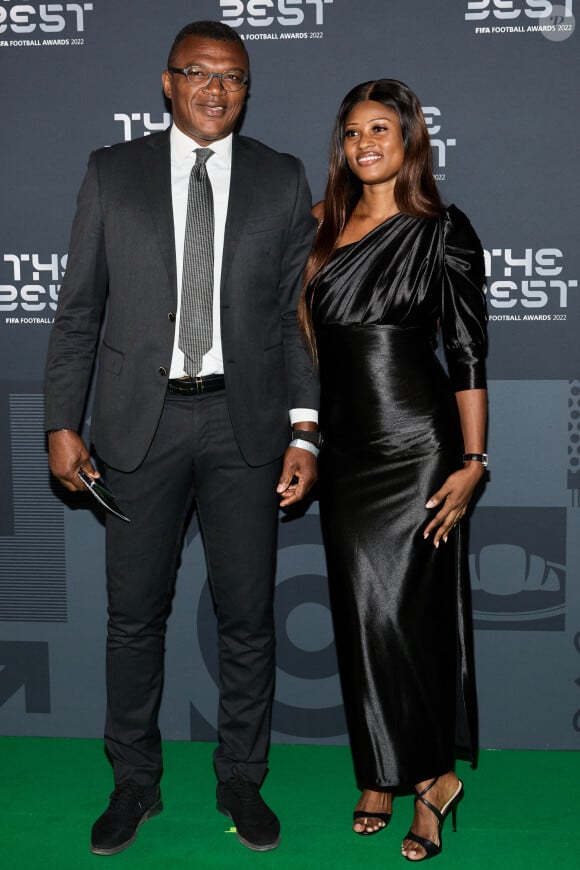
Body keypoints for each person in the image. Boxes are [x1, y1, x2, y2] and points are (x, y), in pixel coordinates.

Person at [44, 19, 320, 856]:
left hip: (245, 428)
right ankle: (134, 784)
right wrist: (61, 421)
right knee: (134, 619)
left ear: (246, 87)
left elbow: (291, 323)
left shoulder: (280, 178)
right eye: (198, 73)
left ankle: (242, 779)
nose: (215, 89)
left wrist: (305, 433)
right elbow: (79, 311)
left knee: (246, 620)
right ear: (167, 83)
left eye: (232, 77)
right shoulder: (111, 172)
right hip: (139, 426)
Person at [299, 79, 487, 861]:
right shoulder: (320, 224)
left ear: (411, 139)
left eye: (381, 128)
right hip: (346, 453)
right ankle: (380, 768)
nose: (364, 143)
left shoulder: (443, 230)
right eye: (351, 132)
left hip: (420, 446)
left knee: (412, 620)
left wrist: (474, 460)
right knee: (359, 614)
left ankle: (432, 780)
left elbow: (470, 354)